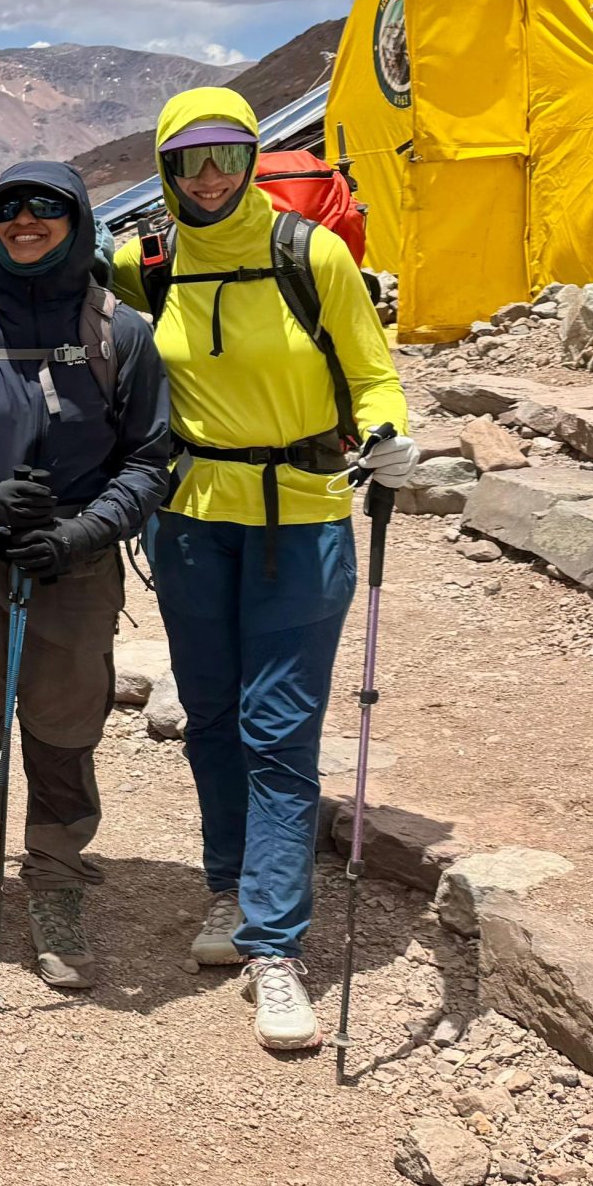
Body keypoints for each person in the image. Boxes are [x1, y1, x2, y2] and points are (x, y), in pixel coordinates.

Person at [109, 89, 412, 1051]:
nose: (210, 176)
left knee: (278, 727)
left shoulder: (310, 253)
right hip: (191, 520)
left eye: (227, 156)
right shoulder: (146, 265)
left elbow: (372, 373)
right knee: (209, 714)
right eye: (189, 160)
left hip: (305, 518)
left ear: (251, 159)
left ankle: (274, 946)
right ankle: (228, 887)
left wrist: (389, 431)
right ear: (165, 169)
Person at [0, 163, 170, 988]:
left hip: (74, 561)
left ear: (76, 220)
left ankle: (55, 884)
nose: (25, 220)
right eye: (7, 208)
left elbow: (149, 461)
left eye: (46, 206)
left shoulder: (122, 333)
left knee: (63, 733)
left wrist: (82, 532)